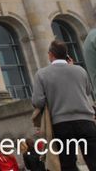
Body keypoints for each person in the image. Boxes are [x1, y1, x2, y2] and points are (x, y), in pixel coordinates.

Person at [32, 38, 96, 171]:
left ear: (51, 54)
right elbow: (88, 91)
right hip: (86, 121)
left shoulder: (42, 74)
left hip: (61, 124)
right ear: (66, 55)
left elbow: (37, 101)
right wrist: (72, 67)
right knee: (93, 159)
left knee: (67, 163)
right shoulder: (80, 70)